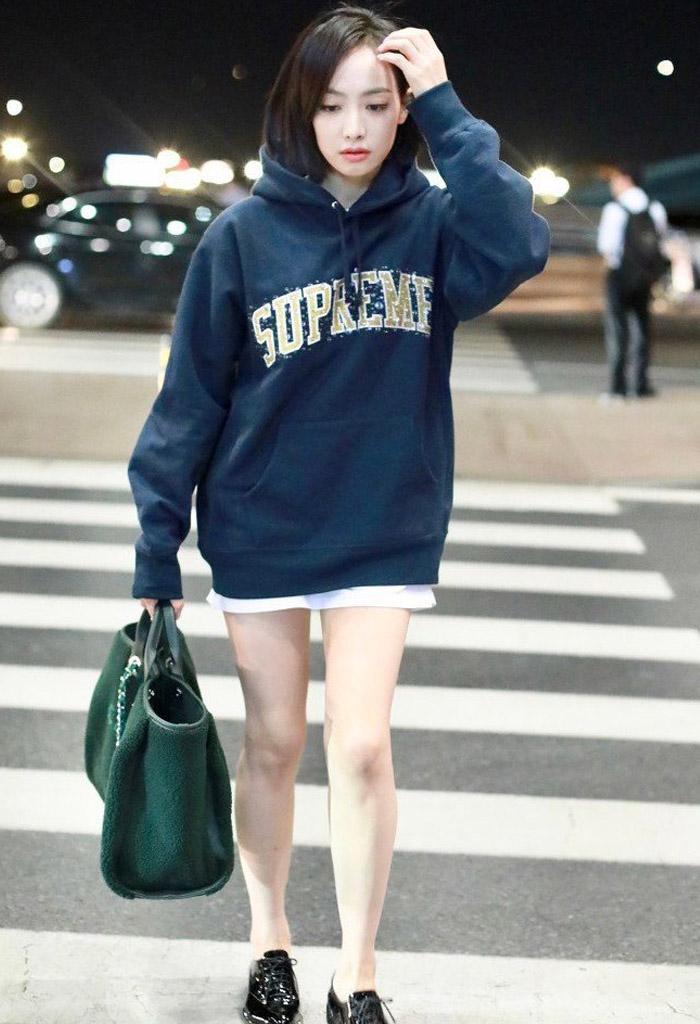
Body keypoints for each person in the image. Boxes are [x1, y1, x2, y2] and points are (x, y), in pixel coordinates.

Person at [127, 4, 550, 1022]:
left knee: (360, 745)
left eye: (376, 103)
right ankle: (268, 937)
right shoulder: (241, 236)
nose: (353, 127)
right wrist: (156, 550)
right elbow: (189, 400)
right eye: (330, 105)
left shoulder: (435, 226)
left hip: (383, 522)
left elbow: (520, 241)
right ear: (298, 110)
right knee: (275, 743)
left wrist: (444, 102)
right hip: (261, 523)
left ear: (402, 113)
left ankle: (356, 970)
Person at [596, 162, 669, 402]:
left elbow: (606, 246)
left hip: (619, 276)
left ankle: (617, 388)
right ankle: (640, 385)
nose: (612, 184)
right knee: (642, 330)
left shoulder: (614, 209)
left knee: (617, 331)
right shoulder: (655, 208)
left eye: (615, 179)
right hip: (645, 277)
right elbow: (660, 242)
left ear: (626, 179)